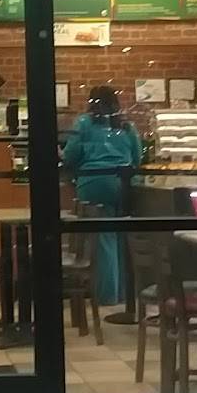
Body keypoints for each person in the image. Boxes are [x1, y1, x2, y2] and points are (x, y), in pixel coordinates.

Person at [61, 87, 141, 305]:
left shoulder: (84, 123)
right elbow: (137, 157)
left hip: (93, 182)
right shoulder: (126, 126)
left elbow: (71, 154)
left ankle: (108, 295)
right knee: (121, 237)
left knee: (104, 239)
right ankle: (125, 294)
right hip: (123, 184)